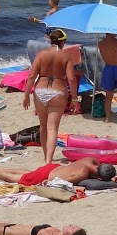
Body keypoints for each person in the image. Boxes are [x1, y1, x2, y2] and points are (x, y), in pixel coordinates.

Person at [24, 29, 74, 163]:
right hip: (58, 92)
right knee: (52, 128)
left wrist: (26, 94)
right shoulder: (66, 56)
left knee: (43, 126)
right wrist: (74, 98)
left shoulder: (41, 54)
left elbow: (32, 76)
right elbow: (71, 78)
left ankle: (46, 157)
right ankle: (48, 161)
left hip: (40, 91)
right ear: (63, 42)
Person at [0, 159, 117, 187]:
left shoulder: (92, 161)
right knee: (20, 179)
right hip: (48, 176)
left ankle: (0, 170)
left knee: (29, 173)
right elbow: (64, 182)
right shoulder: (82, 172)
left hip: (54, 167)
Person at [96, 32, 117, 123]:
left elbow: (104, 57)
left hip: (108, 68)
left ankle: (107, 118)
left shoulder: (100, 43)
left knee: (109, 95)